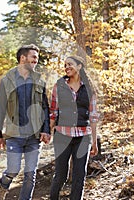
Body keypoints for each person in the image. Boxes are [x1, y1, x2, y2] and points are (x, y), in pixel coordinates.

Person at [0, 44, 51, 200]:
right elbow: (0, 108)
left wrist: (46, 130)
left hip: (34, 135)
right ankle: (2, 187)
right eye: (33, 57)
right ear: (23, 58)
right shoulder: (7, 80)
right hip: (14, 134)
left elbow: (45, 107)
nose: (36, 61)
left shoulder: (39, 80)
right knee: (13, 170)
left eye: (37, 59)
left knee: (30, 174)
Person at [49, 55, 99, 200]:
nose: (67, 67)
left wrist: (94, 141)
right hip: (62, 136)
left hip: (83, 136)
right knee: (60, 175)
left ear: (79, 66)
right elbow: (53, 112)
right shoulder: (59, 85)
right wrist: (47, 133)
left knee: (79, 176)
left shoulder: (89, 88)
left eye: (70, 64)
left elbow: (93, 116)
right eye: (65, 65)